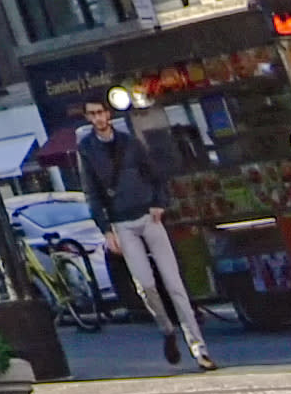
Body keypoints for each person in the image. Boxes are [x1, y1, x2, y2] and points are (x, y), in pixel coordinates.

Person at [57, 105, 210, 372]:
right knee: (145, 285)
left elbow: (155, 174)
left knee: (175, 285)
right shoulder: (87, 150)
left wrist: (159, 202)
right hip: (122, 222)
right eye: (92, 114)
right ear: (88, 118)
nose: (98, 118)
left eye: (101, 112)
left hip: (147, 216)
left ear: (108, 114)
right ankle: (167, 329)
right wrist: (105, 229)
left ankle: (199, 348)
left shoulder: (129, 142)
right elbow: (91, 191)